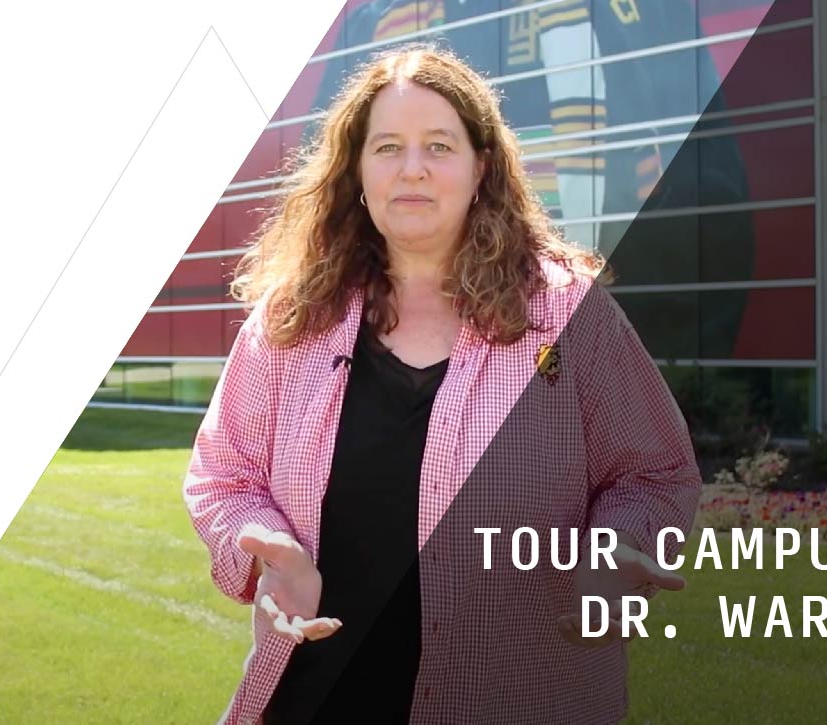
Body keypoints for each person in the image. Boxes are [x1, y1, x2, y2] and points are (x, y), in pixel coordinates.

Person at [182, 44, 702, 725]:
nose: (413, 168)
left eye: (438, 146)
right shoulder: (289, 321)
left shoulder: (570, 315)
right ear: (356, 171)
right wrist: (261, 542)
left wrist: (615, 547)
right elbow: (225, 476)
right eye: (388, 146)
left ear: (482, 166)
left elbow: (654, 472)